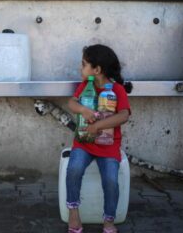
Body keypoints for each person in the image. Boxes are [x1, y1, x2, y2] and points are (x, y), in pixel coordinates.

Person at [66, 44, 133, 233]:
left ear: (97, 70)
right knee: (74, 169)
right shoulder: (86, 86)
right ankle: (73, 213)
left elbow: (123, 115)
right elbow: (71, 102)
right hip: (84, 142)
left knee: (111, 180)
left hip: (108, 147)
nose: (81, 68)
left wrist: (98, 126)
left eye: (84, 64)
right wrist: (83, 110)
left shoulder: (117, 90)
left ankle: (109, 220)